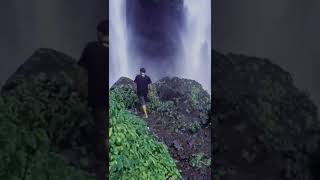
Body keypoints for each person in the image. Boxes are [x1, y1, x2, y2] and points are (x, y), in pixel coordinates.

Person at [77, 20, 108, 179]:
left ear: (100, 33)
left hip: (97, 98)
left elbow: (80, 70)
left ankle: (102, 169)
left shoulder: (91, 49)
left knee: (101, 133)